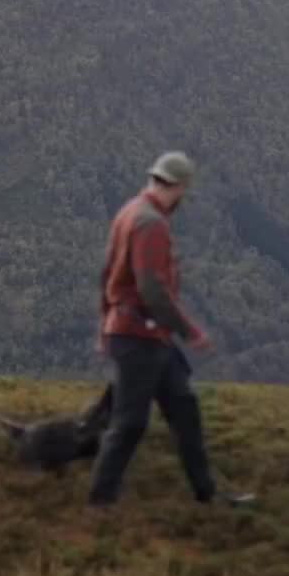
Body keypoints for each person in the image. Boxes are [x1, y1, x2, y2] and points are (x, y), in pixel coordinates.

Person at [88, 150, 217, 508]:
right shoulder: (152, 223)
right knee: (129, 423)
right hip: (139, 337)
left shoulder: (128, 212)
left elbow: (107, 273)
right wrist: (191, 331)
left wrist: (104, 327)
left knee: (184, 410)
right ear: (178, 187)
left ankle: (207, 493)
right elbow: (151, 289)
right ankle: (100, 501)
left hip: (140, 335)